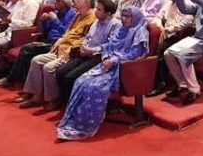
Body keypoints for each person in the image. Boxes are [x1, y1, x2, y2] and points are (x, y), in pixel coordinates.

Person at [56, 7, 149, 141]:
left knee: (94, 87)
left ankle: (86, 125)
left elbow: (135, 53)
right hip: (107, 64)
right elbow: (109, 46)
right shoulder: (122, 29)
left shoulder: (140, 31)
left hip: (123, 69)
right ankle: (74, 120)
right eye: (122, 16)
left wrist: (114, 60)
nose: (123, 19)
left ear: (135, 18)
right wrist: (103, 56)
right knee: (81, 81)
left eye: (127, 16)